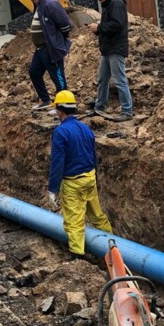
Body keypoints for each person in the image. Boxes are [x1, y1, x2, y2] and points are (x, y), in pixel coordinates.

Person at [47, 90, 113, 259]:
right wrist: (95, 177)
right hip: (89, 178)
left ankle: (77, 258)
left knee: (74, 222)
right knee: (98, 216)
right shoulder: (85, 128)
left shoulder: (61, 132)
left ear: (60, 110)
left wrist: (53, 188)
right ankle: (113, 245)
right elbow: (93, 156)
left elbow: (57, 163)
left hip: (73, 183)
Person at [22, 0, 71, 112]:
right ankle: (46, 100)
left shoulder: (50, 4)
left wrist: (57, 41)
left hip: (51, 49)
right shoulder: (38, 5)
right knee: (34, 72)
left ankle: (64, 106)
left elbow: (66, 25)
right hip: (40, 49)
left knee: (58, 78)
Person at [88, 0, 133, 122]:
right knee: (102, 79)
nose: (99, 0)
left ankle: (127, 111)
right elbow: (111, 24)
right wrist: (100, 28)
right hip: (108, 49)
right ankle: (99, 107)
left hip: (115, 48)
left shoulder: (116, 3)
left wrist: (99, 28)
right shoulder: (110, 4)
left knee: (119, 80)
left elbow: (117, 24)